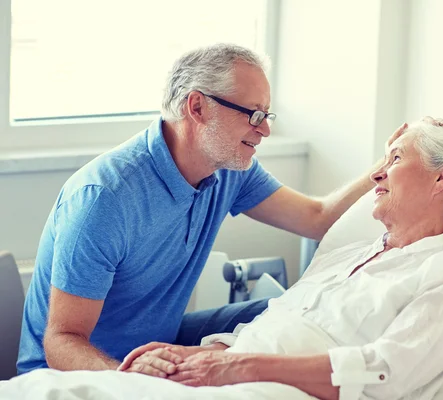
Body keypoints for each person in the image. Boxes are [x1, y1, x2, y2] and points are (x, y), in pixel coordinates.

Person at [17, 43, 419, 375]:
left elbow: (317, 219)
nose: (265, 129)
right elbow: (61, 343)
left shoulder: (230, 170)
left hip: (162, 342)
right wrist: (132, 376)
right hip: (81, 370)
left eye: (268, 115)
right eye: (253, 114)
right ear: (197, 107)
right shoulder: (103, 199)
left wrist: (389, 164)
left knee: (296, 310)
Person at [111, 121, 443, 400]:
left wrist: (235, 368)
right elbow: (268, 330)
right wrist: (185, 357)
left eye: (395, 159)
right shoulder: (344, 257)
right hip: (229, 375)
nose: (377, 173)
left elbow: (385, 373)